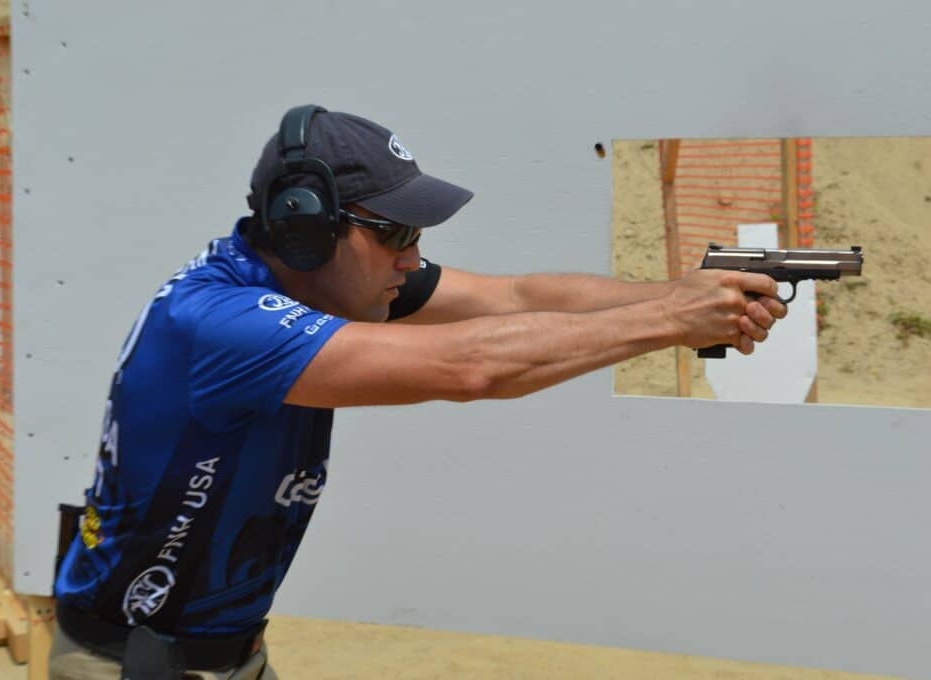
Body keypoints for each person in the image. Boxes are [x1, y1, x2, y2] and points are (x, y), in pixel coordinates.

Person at [49, 105, 786, 679]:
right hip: (134, 663)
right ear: (306, 229)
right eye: (396, 230)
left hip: (218, 654)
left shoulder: (316, 280)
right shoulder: (222, 323)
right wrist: (667, 321)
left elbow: (515, 297)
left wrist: (682, 299)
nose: (414, 255)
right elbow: (472, 368)